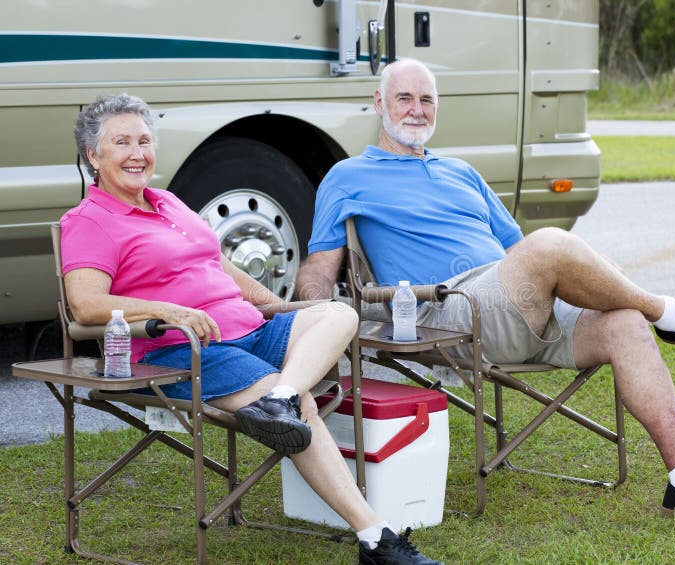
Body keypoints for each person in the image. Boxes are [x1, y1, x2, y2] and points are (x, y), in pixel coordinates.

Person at [297, 59, 675, 524]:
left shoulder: (461, 172)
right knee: (551, 243)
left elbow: (518, 251)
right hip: (450, 309)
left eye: (426, 100)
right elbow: (320, 267)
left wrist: (563, 278)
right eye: (404, 98)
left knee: (624, 322)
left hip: (512, 297)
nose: (416, 110)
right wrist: (310, 315)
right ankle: (673, 314)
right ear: (379, 103)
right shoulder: (348, 176)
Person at [60, 93, 443, 565]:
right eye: (122, 143)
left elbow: (218, 265)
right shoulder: (89, 220)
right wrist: (171, 311)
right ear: (94, 156)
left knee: (337, 313)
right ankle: (375, 538)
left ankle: (277, 398)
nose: (138, 154)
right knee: (304, 406)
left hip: (251, 330)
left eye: (144, 140)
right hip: (188, 348)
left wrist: (282, 307)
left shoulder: (170, 203)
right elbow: (85, 303)